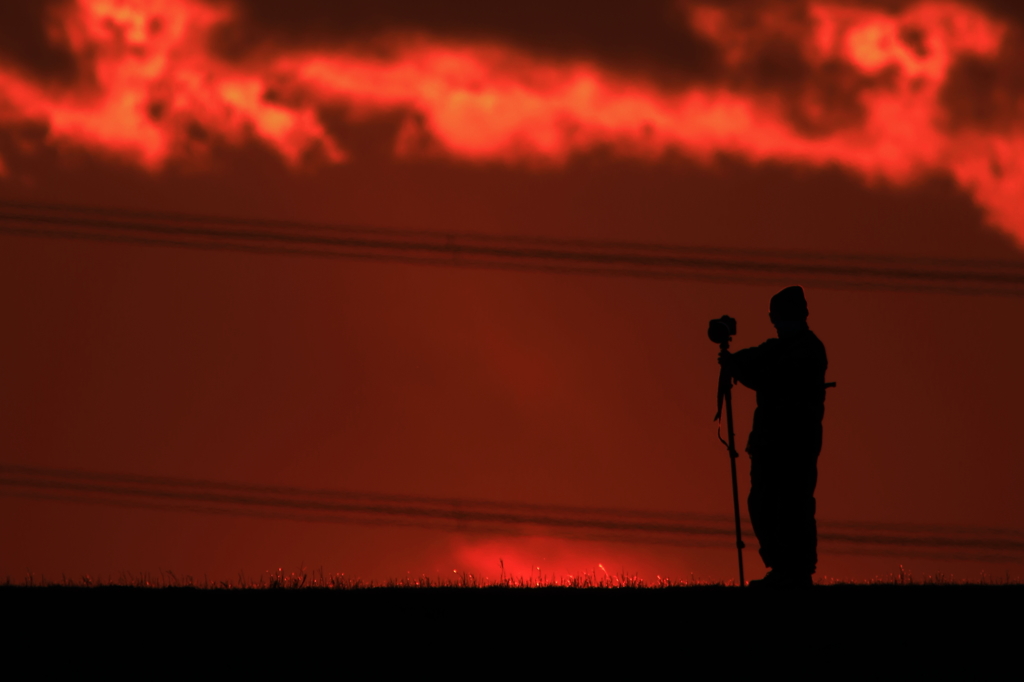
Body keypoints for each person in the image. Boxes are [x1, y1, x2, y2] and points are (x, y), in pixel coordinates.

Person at [719, 285, 829, 588]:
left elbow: (775, 379)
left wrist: (739, 371)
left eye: (779, 316)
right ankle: (781, 567)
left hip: (795, 445)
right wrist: (732, 360)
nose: (776, 322)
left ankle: (797, 570)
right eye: (774, 316)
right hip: (769, 444)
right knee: (763, 503)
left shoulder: (808, 350)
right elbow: (756, 356)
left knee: (793, 505)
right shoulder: (780, 346)